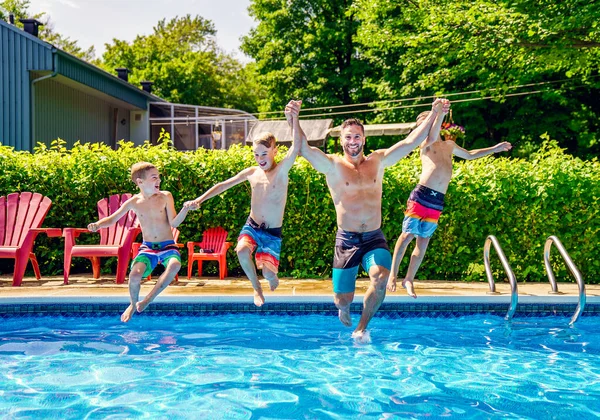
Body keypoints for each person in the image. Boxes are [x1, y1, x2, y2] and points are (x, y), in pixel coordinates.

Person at [288, 98, 450, 341]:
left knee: (381, 277)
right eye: (348, 137)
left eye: (356, 137)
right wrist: (294, 118)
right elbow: (303, 149)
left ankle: (361, 327)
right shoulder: (332, 165)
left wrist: (435, 113)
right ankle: (343, 307)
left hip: (374, 237)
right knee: (343, 299)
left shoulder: (378, 160)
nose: (352, 142)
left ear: (364, 139)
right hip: (346, 239)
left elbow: (411, 141)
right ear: (341, 141)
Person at [186, 100, 302, 307]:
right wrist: (200, 199)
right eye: (256, 155)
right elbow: (223, 185)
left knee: (268, 274)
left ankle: (270, 278)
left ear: (275, 151)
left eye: (264, 154)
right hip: (252, 226)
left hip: (272, 233)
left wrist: (293, 118)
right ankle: (257, 289)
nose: (260, 158)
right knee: (240, 250)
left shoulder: (282, 170)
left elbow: (297, 147)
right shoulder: (252, 173)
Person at [387, 112, 512, 298]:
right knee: (406, 236)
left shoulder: (449, 145)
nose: (429, 127)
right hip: (421, 196)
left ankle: (409, 279)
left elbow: (469, 155)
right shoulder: (425, 144)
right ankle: (392, 275)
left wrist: (495, 148)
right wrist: (438, 113)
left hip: (436, 201)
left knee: (423, 243)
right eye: (424, 125)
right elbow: (433, 130)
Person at [87, 162, 193, 322]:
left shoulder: (165, 196)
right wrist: (98, 225)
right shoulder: (134, 202)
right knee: (135, 275)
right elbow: (113, 218)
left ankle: (148, 299)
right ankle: (132, 304)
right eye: (154, 177)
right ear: (140, 182)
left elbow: (174, 223)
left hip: (168, 246)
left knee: (174, 265)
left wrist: (185, 209)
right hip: (148, 248)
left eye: (159, 177)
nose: (159, 180)